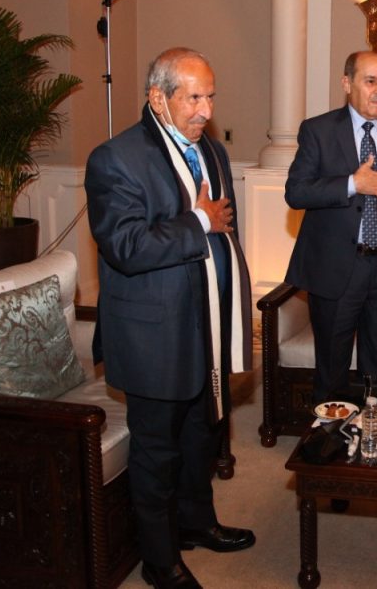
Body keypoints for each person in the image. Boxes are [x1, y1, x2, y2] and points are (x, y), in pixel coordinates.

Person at [85, 48, 254, 589]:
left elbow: (223, 228)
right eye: (194, 97)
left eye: (211, 96)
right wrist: (197, 221)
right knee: (156, 454)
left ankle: (197, 523)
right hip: (154, 336)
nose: (206, 110)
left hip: (208, 326)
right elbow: (126, 246)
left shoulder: (211, 151)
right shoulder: (115, 158)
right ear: (158, 98)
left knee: (202, 435)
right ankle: (160, 562)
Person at [285, 50, 377, 403]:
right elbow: (297, 192)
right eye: (370, 82)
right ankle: (332, 432)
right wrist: (353, 183)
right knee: (332, 368)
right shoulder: (318, 131)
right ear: (347, 83)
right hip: (336, 268)